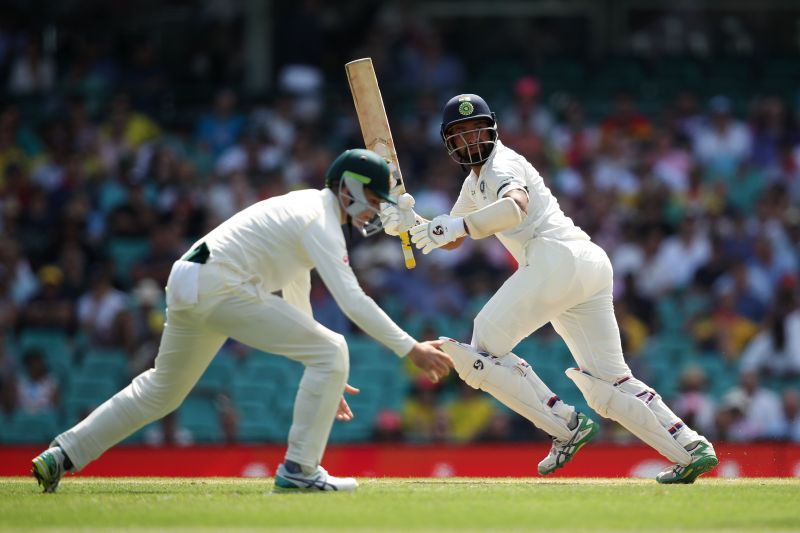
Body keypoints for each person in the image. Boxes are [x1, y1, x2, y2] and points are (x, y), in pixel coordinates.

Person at [32, 148, 453, 493]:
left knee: (162, 391)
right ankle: (301, 471)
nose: (376, 210)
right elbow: (353, 301)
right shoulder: (320, 220)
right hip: (220, 284)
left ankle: (61, 454)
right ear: (350, 188)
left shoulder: (304, 209)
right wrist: (409, 348)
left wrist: (324, 373)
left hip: (188, 279)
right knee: (333, 348)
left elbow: (296, 295)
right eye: (376, 199)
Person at [381, 94, 717, 484]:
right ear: (449, 143)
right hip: (585, 264)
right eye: (461, 133)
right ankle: (690, 448)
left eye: (476, 129)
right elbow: (453, 236)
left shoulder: (502, 164)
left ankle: (565, 426)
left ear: (491, 130)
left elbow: (513, 208)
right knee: (608, 382)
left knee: (483, 349)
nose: (470, 139)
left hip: (554, 258)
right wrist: (410, 221)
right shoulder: (474, 183)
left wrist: (452, 228)